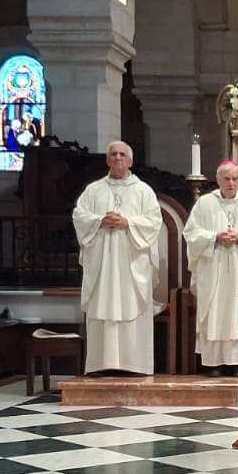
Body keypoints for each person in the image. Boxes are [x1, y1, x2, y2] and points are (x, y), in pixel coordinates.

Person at [73, 140, 163, 375]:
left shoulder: (143, 191)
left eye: (123, 154)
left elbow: (154, 222)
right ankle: (101, 364)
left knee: (132, 305)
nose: (117, 158)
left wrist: (128, 222)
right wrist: (99, 221)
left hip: (131, 262)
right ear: (107, 159)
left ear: (130, 161)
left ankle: (134, 364)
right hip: (102, 263)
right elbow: (79, 217)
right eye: (113, 154)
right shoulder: (93, 190)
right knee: (102, 305)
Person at [183, 160, 238, 376]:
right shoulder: (205, 203)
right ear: (218, 180)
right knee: (214, 312)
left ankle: (236, 362)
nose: (231, 183)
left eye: (235, 178)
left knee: (236, 312)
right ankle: (213, 363)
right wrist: (214, 237)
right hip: (212, 266)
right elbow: (191, 233)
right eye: (227, 179)